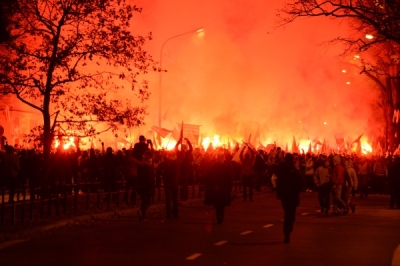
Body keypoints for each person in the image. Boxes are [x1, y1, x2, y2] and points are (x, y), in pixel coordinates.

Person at [275, 153, 302, 244]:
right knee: (291, 215)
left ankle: (287, 233)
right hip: (292, 196)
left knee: (287, 214)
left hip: (286, 196)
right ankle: (288, 231)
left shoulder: (284, 171)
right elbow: (301, 184)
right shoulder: (294, 171)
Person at [204, 151, 233, 224]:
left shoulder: (228, 166)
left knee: (221, 204)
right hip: (216, 188)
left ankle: (220, 216)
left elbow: (230, 178)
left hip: (223, 188)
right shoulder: (214, 165)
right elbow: (208, 175)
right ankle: (219, 216)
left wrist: (229, 187)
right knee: (217, 204)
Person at [157, 150, 180, 219]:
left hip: (167, 182)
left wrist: (160, 179)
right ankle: (175, 214)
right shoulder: (177, 163)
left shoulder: (164, 163)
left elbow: (158, 171)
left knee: (168, 199)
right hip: (175, 182)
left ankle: (169, 214)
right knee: (175, 198)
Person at [137, 150, 155, 222]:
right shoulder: (145, 170)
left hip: (146, 188)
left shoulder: (148, 169)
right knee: (147, 202)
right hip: (146, 188)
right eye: (149, 162)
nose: (150, 163)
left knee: (145, 202)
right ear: (146, 162)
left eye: (151, 162)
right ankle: (141, 212)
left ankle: (142, 214)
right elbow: (147, 180)